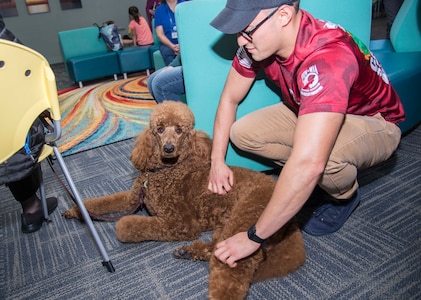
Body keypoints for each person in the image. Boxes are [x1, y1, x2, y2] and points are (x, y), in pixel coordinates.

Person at [208, 0, 405, 268]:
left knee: (321, 161)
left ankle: (344, 195)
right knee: (243, 133)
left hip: (375, 122)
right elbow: (229, 99)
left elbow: (310, 163)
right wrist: (216, 163)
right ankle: (304, 179)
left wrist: (254, 237)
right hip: (309, 108)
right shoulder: (258, 43)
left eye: (247, 30)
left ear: (284, 15)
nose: (241, 41)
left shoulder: (327, 57)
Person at [0, 15, 57, 234]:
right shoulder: (9, 48)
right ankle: (31, 207)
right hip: (12, 146)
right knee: (21, 128)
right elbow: (37, 83)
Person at [153, 0, 186, 65]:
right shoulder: (159, 10)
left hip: (185, 42)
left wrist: (182, 45)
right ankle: (173, 73)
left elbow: (192, 28)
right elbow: (160, 35)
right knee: (167, 52)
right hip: (168, 44)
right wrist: (173, 46)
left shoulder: (185, 5)